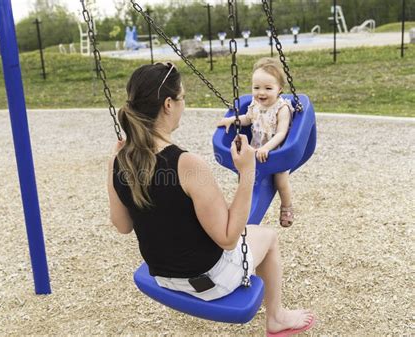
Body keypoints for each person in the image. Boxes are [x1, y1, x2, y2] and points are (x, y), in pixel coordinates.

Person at [107, 63, 315, 335]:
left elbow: (122, 226)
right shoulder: (187, 164)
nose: (184, 104)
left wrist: (113, 162)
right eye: (182, 98)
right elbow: (228, 238)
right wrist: (247, 173)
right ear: (168, 104)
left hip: (162, 278)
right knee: (268, 237)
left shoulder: (119, 159)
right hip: (208, 282)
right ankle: (275, 316)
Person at [217, 57, 295, 227]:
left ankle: (286, 206)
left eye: (268, 88)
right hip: (255, 150)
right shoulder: (255, 104)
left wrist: (267, 148)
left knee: (280, 180)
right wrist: (233, 120)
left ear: (279, 89)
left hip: (277, 152)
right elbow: (248, 119)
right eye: (256, 87)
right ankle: (244, 205)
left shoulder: (282, 109)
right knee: (244, 176)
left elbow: (281, 133)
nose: (261, 93)